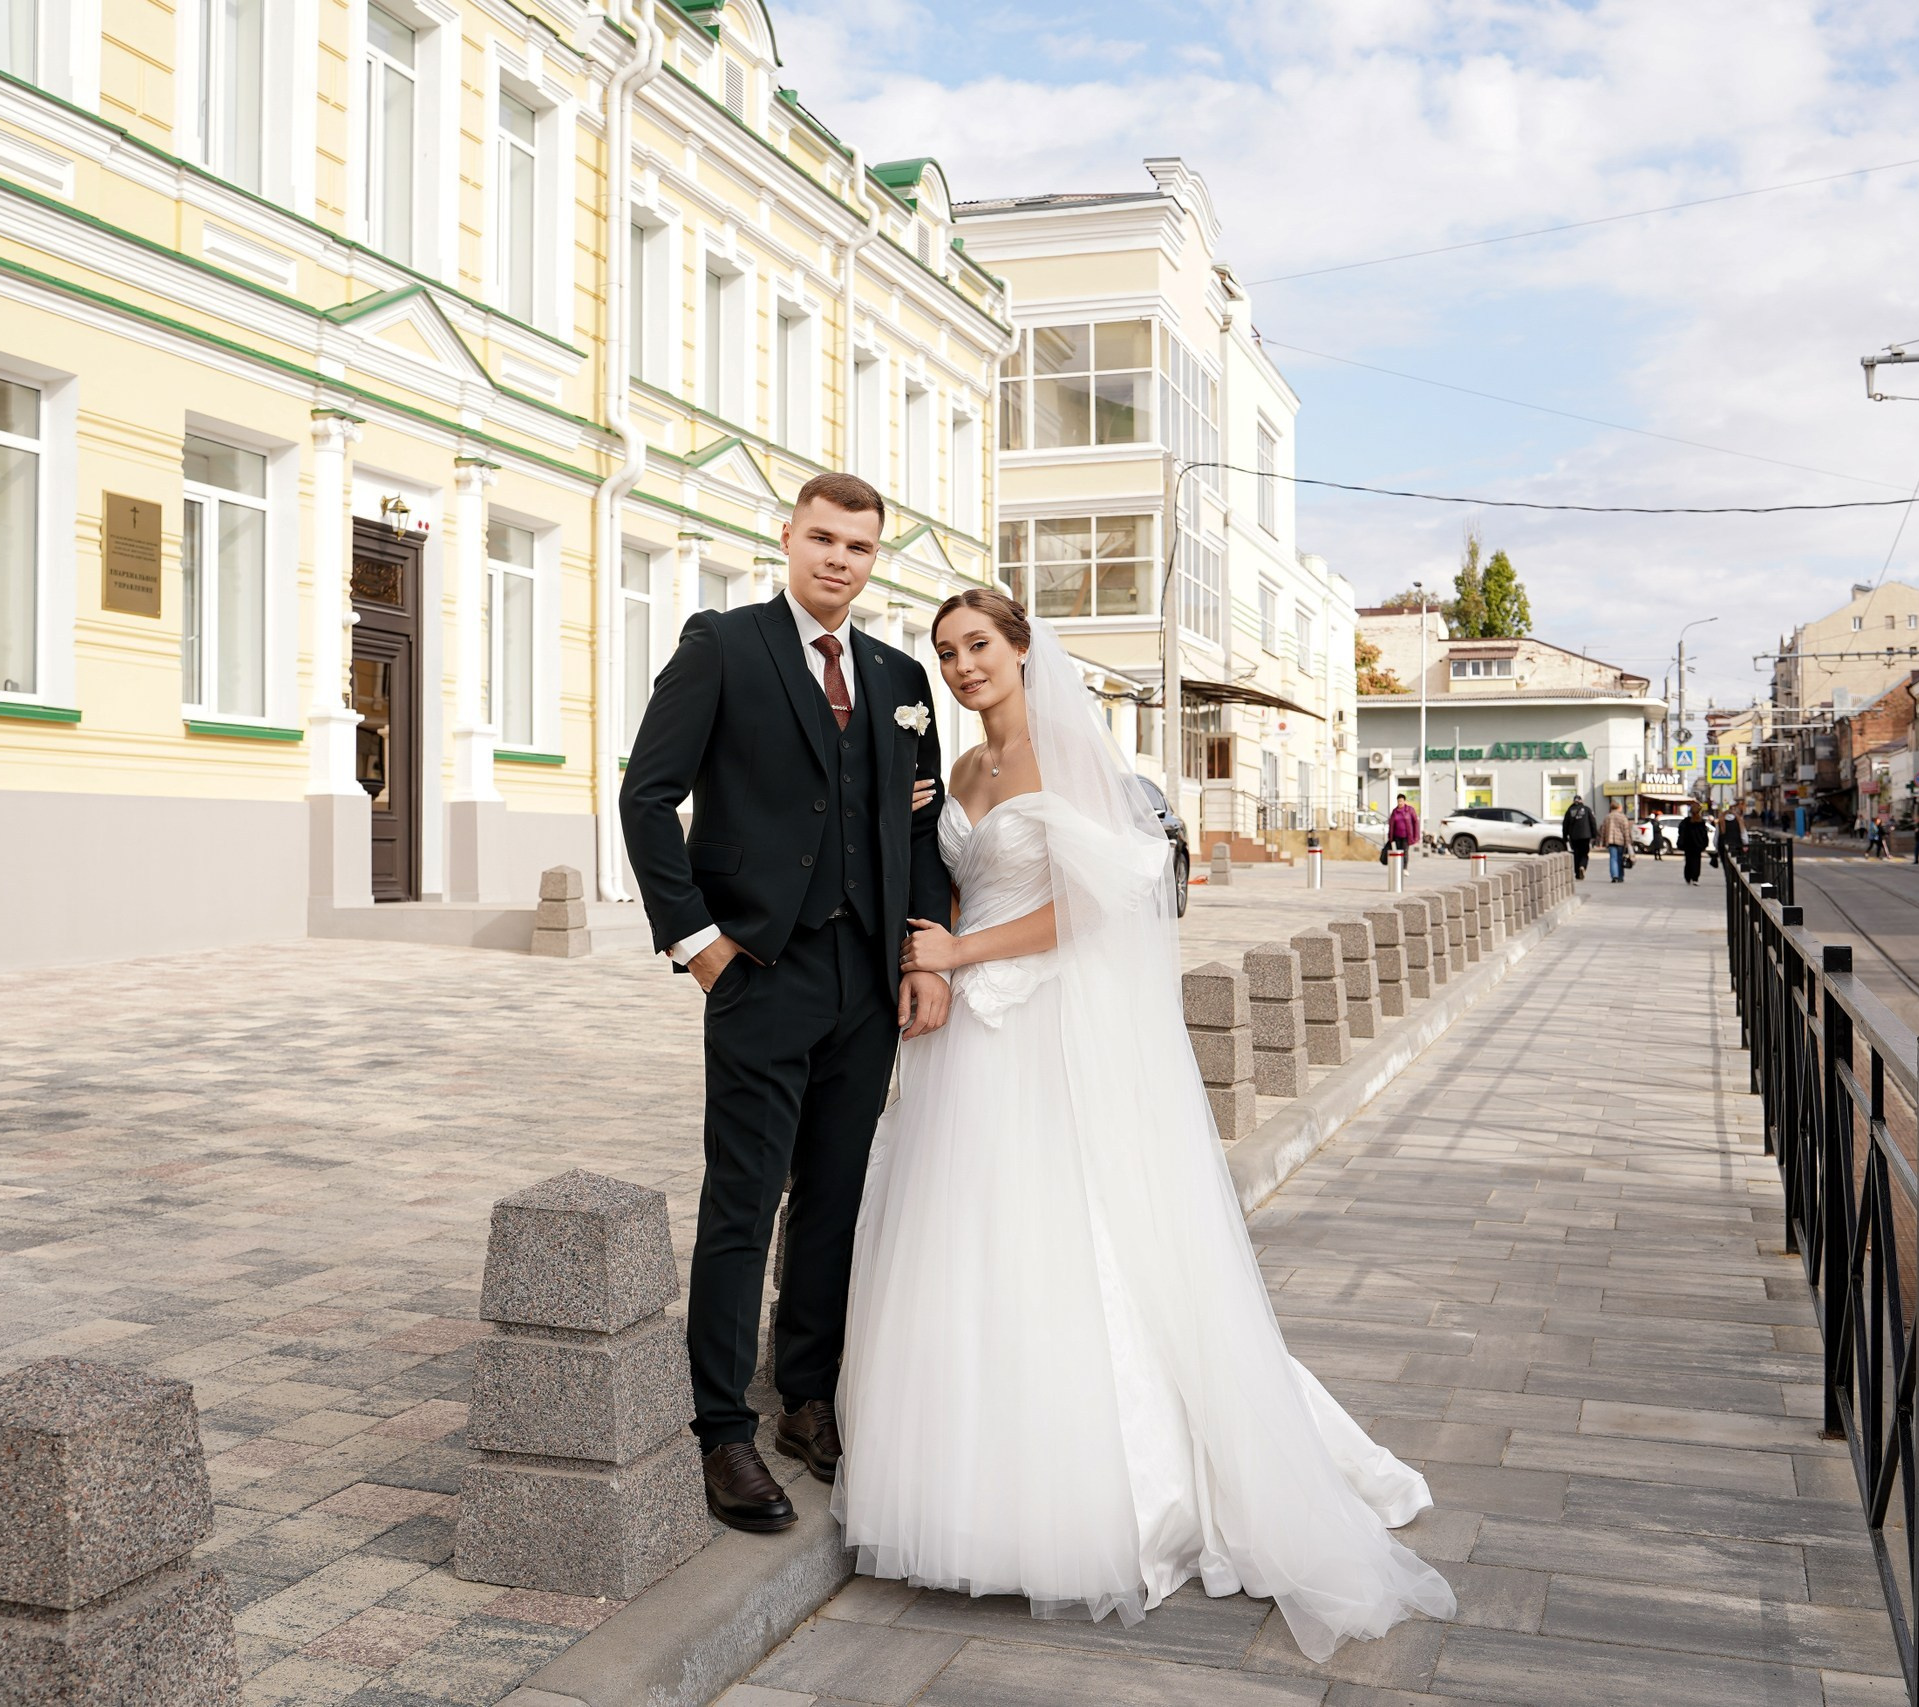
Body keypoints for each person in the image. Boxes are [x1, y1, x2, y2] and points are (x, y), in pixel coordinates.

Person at [836, 590, 1456, 1661]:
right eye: (945, 653)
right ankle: (968, 1481)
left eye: (978, 645)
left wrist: (958, 956)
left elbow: (1102, 906)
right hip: (964, 1042)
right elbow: (953, 871)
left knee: (1066, 1234)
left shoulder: (1071, 756)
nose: (961, 665)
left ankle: (1097, 1499)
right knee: (968, 1239)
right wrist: (927, 939)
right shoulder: (966, 769)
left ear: (1023, 647)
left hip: (1037, 1021)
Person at [619, 472, 957, 1534]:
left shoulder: (902, 675)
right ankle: (721, 1428)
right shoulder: (724, 644)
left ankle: (805, 1396)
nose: (839, 560)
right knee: (744, 1199)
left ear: (873, 559)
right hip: (761, 970)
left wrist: (919, 957)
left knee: (834, 1197)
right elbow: (647, 795)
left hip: (868, 979)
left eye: (859, 547)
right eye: (823, 539)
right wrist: (699, 943)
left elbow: (917, 823)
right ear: (788, 538)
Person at [1562, 795, 1597, 879]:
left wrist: (1565, 837)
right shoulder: (1587, 809)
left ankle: (1577, 873)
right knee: (1584, 854)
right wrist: (1594, 835)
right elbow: (1593, 822)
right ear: (1581, 801)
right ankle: (1582, 866)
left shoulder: (1569, 811)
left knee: (1576, 854)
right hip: (1585, 836)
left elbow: (1565, 825)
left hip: (1574, 836)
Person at [1676, 801, 1710, 885]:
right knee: (1697, 862)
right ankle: (1695, 878)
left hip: (1688, 845)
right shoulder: (1701, 823)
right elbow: (1704, 835)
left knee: (1688, 861)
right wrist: (1704, 844)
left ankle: (1688, 877)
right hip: (1697, 846)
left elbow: (1680, 831)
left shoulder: (1686, 822)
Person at [1601, 799, 1634, 882]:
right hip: (1621, 841)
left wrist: (1603, 841)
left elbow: (1603, 830)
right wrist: (1628, 842)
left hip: (1611, 841)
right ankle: (1620, 876)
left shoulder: (1607, 817)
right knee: (1619, 858)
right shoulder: (1623, 817)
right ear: (1619, 807)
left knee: (1613, 858)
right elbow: (1626, 831)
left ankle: (1614, 876)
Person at [1383, 793, 1419, 867]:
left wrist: (1416, 836)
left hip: (1406, 835)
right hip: (1396, 836)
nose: (1400, 803)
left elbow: (1415, 822)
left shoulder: (1410, 810)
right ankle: (1398, 867)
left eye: (1401, 801)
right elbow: (1391, 824)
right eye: (1398, 801)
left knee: (1405, 852)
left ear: (1404, 801)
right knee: (1397, 852)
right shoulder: (1395, 811)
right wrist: (1390, 836)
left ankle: (1405, 867)